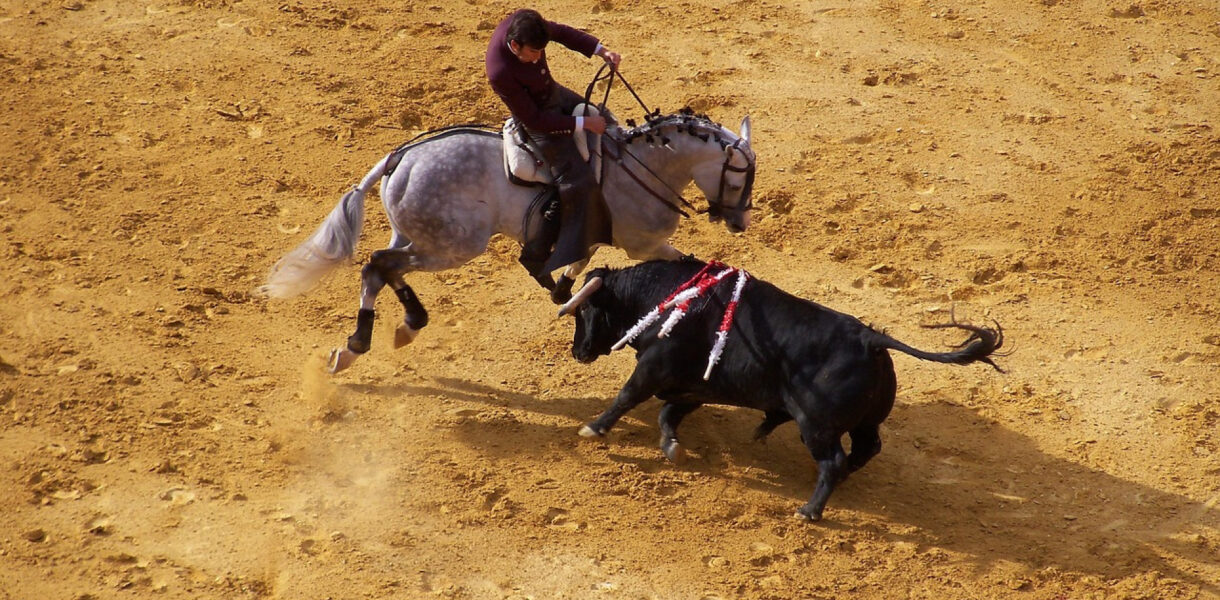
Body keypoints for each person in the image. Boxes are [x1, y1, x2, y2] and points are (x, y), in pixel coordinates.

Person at [485, 8, 622, 290]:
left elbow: (560, 32)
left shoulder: (526, 22)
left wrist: (601, 50)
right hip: (537, 121)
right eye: (533, 53)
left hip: (552, 94)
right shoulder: (500, 71)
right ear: (514, 46)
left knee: (607, 124)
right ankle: (538, 254)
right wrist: (582, 123)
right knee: (578, 181)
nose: (538, 58)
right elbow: (534, 119)